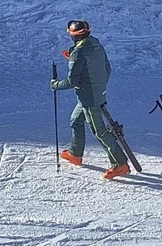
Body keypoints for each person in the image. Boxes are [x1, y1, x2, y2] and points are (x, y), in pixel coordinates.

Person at [50, 19, 130, 180]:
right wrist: (98, 86)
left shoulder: (79, 53)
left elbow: (71, 81)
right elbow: (106, 68)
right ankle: (75, 153)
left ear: (73, 35)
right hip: (95, 93)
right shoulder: (96, 45)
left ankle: (120, 164)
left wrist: (55, 85)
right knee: (75, 120)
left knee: (99, 131)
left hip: (89, 98)